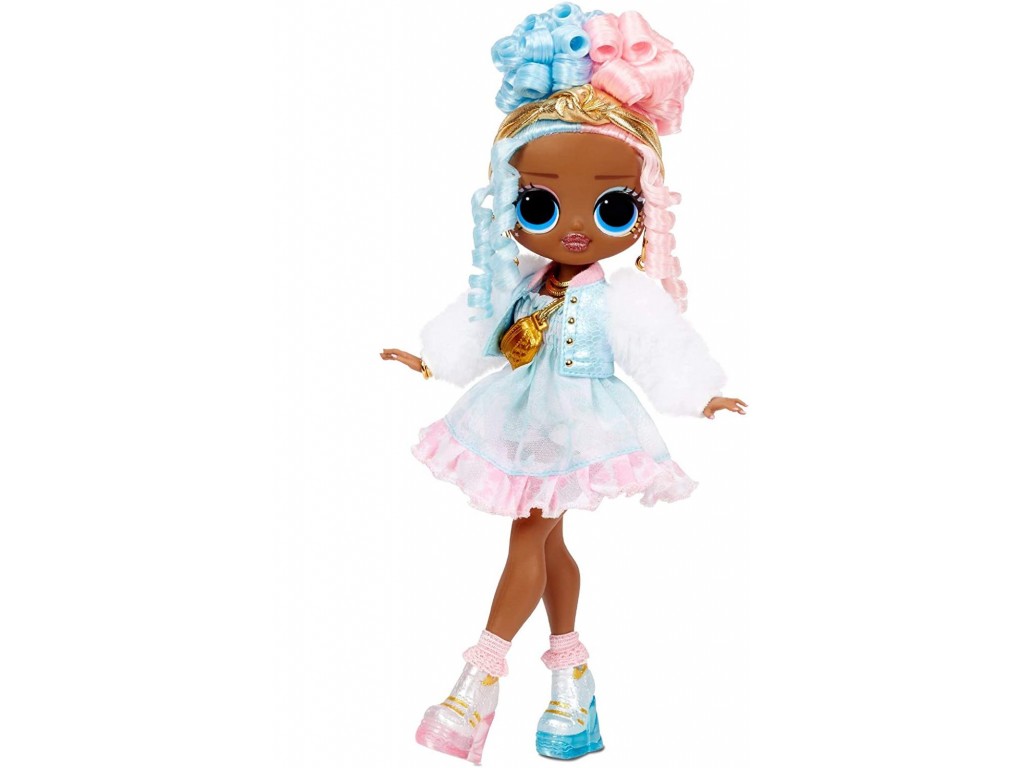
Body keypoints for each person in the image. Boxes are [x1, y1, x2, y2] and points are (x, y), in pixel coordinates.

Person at [380, 5, 745, 762]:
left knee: (529, 534)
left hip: (585, 425)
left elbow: (661, 346)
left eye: (611, 207)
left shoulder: (623, 295)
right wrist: (431, 359)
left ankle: (477, 680)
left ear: (642, 206)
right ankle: (571, 674)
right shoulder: (523, 276)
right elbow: (478, 324)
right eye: (541, 205)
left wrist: (698, 393)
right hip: (518, 417)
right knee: (549, 545)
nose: (574, 228)